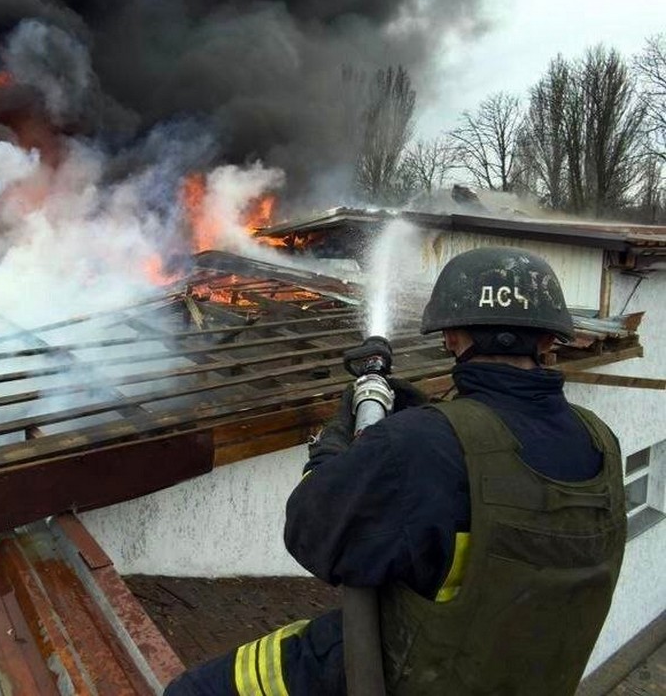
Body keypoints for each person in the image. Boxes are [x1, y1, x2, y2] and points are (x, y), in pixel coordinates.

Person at [165, 246, 626, 696]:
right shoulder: (599, 439)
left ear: (450, 337)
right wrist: (427, 419)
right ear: (549, 341)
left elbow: (314, 532)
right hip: (521, 671)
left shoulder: (419, 446)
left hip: (416, 667)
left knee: (192, 689)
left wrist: (335, 444)